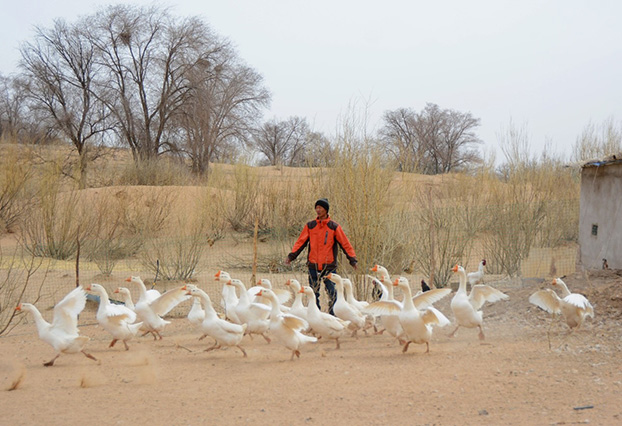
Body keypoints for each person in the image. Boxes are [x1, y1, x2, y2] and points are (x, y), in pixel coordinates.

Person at [285, 198, 358, 315]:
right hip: (313, 265)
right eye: (316, 207)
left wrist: (352, 260)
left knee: (332, 293)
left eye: (320, 208)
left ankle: (332, 317)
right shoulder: (310, 226)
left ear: (326, 210)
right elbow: (300, 242)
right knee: (313, 294)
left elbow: (345, 244)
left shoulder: (334, 227)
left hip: (329, 267)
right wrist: (291, 256)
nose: (318, 210)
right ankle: (316, 317)